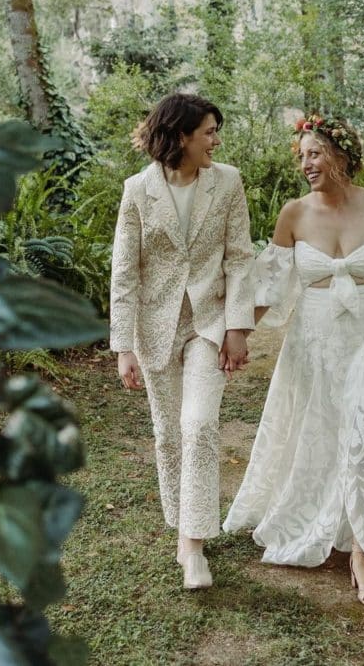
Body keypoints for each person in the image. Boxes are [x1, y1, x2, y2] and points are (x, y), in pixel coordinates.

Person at [223, 114, 364, 606]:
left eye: (313, 152)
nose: (305, 163)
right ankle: (328, 520)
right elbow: (270, 285)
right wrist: (237, 333)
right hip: (315, 343)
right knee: (324, 434)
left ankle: (363, 551)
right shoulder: (293, 214)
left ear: (341, 155)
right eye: (301, 155)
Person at [110, 92, 255, 589]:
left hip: (209, 323)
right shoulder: (137, 190)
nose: (216, 140)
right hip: (155, 327)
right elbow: (124, 274)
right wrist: (124, 346)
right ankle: (181, 531)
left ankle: (194, 546)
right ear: (180, 136)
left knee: (198, 426)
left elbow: (239, 257)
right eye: (209, 132)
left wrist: (237, 326)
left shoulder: (228, 182)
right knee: (169, 434)